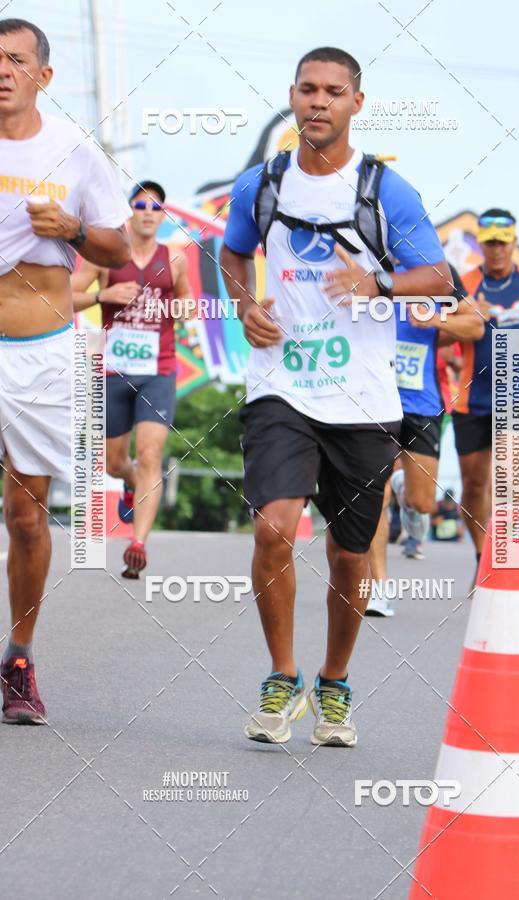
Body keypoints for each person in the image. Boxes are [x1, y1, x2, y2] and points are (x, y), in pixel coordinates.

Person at [219, 46, 452, 746]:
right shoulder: (261, 184)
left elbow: (439, 275)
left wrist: (377, 285)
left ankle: (335, 681)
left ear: (356, 103)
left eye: (333, 92)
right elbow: (234, 252)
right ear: (292, 96)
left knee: (352, 557)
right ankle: (282, 676)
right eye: (308, 90)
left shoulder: (386, 192)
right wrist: (242, 302)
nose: (318, 102)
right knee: (272, 527)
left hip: (363, 397)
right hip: (282, 385)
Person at [0, 18, 131, 723]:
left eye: (17, 60)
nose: (4, 70)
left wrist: (73, 231)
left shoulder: (75, 151)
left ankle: (18, 656)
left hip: (40, 351)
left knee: (26, 515)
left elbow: (116, 249)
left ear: (43, 76)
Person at [72, 181, 191, 578]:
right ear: (129, 211)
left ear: (162, 215)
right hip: (113, 371)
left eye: (156, 205)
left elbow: (187, 304)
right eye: (140, 204)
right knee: (116, 461)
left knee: (152, 456)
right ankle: (129, 482)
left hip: (159, 370)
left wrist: (185, 311)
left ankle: (138, 544)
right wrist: (102, 297)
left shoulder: (174, 261)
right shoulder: (106, 258)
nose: (147, 211)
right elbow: (65, 294)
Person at [366, 264, 483, 615]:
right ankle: (378, 588)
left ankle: (404, 487)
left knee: (423, 503)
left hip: (422, 402)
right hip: (373, 397)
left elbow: (476, 324)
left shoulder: (438, 271)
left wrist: (436, 322)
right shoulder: (369, 259)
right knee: (374, 494)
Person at [453, 209, 519, 573]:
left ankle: (507, 563)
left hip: (515, 390)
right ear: (481, 245)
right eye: (489, 244)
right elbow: (443, 331)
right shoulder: (464, 283)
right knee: (473, 484)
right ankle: (483, 557)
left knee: (510, 479)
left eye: (502, 243)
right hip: (471, 396)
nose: (496, 250)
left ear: (514, 242)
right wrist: (467, 320)